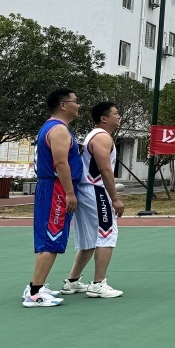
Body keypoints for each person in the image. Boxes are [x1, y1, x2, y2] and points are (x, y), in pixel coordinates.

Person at [23, 88, 82, 308]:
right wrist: (69, 193)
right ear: (63, 105)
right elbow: (61, 163)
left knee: (49, 238)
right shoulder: (58, 130)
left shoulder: (51, 127)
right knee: (51, 239)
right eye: (75, 101)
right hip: (56, 189)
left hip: (51, 187)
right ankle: (35, 293)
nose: (78, 105)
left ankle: (35, 286)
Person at [60, 101, 125, 298]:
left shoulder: (93, 135)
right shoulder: (102, 137)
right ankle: (98, 284)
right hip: (96, 190)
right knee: (106, 234)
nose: (119, 116)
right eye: (115, 113)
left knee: (89, 238)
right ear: (104, 118)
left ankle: (72, 281)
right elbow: (105, 169)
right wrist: (115, 198)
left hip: (86, 190)